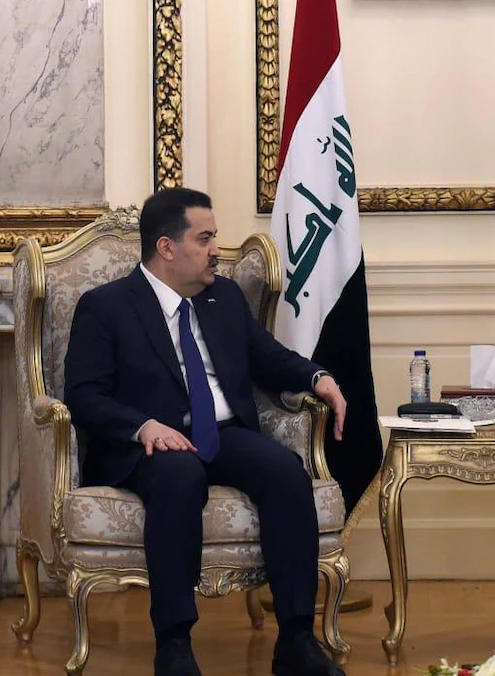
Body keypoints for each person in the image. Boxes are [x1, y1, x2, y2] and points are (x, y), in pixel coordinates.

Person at [65, 187, 348, 676]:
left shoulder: (224, 297)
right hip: (150, 444)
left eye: (214, 237)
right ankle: (174, 645)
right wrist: (142, 426)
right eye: (205, 238)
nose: (216, 249)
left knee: (286, 473)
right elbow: (84, 395)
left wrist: (317, 377)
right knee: (180, 476)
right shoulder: (106, 307)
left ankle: (297, 640)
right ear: (167, 247)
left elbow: (267, 356)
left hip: (221, 432)